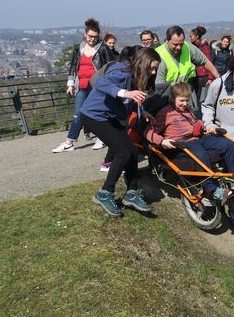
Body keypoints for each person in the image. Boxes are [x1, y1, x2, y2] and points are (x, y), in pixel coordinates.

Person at [80, 47, 161, 217]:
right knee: (123, 153)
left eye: (155, 69)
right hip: (94, 115)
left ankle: (131, 193)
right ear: (142, 63)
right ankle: (105, 193)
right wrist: (125, 93)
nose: (153, 73)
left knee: (131, 151)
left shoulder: (138, 77)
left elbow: (134, 100)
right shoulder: (122, 70)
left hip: (110, 117)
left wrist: (142, 112)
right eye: (151, 68)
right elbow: (101, 83)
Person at [145, 83, 234, 202]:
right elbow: (148, 131)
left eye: (187, 100)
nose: (185, 103)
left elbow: (194, 125)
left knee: (227, 143)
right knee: (200, 154)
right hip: (181, 143)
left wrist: (203, 127)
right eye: (181, 100)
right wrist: (162, 141)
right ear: (172, 98)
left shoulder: (188, 109)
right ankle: (211, 189)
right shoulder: (165, 113)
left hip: (198, 138)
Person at [52, 18, 116, 153]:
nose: (92, 39)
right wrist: (70, 84)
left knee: (98, 114)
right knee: (78, 114)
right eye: (90, 36)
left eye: (95, 37)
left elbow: (111, 66)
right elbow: (73, 66)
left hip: (97, 87)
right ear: (85, 34)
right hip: (81, 86)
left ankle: (102, 138)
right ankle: (69, 142)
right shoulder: (79, 47)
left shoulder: (102, 48)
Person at [189, 25, 213, 104]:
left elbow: (208, 62)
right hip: (194, 76)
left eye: (191, 36)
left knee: (201, 99)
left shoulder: (204, 47)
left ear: (196, 37)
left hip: (203, 77)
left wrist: (210, 78)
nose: (190, 38)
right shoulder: (192, 47)